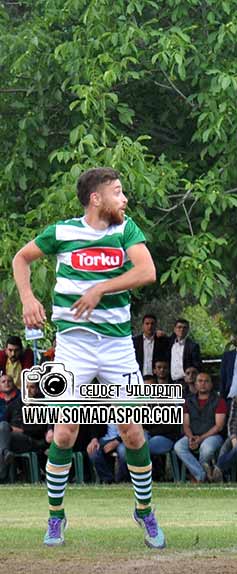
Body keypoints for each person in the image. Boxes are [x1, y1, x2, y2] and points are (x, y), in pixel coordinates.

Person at [12, 167, 165, 548]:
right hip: (73, 346)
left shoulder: (125, 230)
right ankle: (55, 518)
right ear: (96, 199)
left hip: (116, 347)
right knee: (65, 432)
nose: (124, 198)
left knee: (132, 432)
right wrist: (28, 299)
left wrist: (101, 288)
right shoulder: (62, 232)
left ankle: (144, 512)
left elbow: (147, 271)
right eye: (118, 191)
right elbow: (21, 259)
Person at [173, 372, 226, 483]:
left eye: (206, 381)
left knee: (206, 449)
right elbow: (185, 424)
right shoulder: (188, 401)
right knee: (178, 447)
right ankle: (202, 475)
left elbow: (219, 426)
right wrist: (191, 437)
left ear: (211, 384)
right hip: (192, 434)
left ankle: (199, 478)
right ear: (195, 384)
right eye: (200, 381)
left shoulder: (219, 401)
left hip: (213, 436)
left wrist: (200, 439)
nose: (203, 384)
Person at [168, 318, 201, 385]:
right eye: (179, 327)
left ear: (188, 330)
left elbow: (197, 365)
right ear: (174, 329)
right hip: (171, 382)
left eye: (184, 327)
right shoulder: (169, 343)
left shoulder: (193, 346)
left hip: (187, 383)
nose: (182, 329)